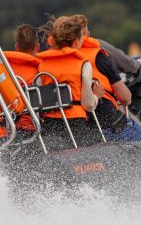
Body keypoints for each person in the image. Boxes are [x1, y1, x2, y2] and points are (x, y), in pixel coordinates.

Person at [35, 17, 102, 148]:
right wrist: (97, 96)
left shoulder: (42, 65)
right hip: (76, 124)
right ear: (76, 41)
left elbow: (38, 98)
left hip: (50, 125)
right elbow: (88, 104)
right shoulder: (83, 65)